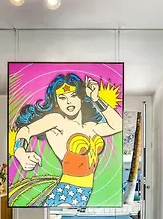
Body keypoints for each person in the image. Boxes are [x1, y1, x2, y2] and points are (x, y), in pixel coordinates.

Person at [13, 73, 122, 207]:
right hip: (66, 192)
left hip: (84, 193)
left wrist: (96, 98)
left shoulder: (91, 126)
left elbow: (118, 125)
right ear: (56, 102)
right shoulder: (57, 120)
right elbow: (26, 130)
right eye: (62, 98)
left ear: (81, 98)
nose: (69, 102)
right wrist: (20, 153)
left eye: (73, 95)